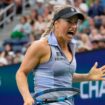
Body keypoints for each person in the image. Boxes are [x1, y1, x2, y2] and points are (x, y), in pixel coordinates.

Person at [16, 4, 105, 105]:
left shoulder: (71, 46)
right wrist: (27, 97)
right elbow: (21, 73)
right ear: (56, 23)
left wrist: (87, 77)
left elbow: (65, 76)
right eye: (69, 22)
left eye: (75, 23)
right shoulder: (41, 46)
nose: (74, 26)